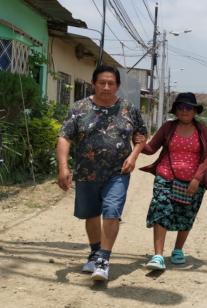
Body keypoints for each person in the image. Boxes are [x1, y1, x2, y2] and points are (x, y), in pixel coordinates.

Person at [56, 65, 147, 281]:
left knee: (112, 211)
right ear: (94, 83)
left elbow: (141, 136)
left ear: (117, 86)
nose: (106, 87)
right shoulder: (79, 108)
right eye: (102, 82)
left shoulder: (128, 109)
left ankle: (103, 261)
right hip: (86, 172)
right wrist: (63, 167)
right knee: (91, 214)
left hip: (118, 172)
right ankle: (95, 252)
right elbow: (64, 137)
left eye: (111, 83)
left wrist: (133, 156)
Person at [139, 92, 207, 270]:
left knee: (186, 214)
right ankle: (158, 256)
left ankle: (178, 250)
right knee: (161, 209)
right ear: (175, 111)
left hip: (193, 181)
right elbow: (151, 149)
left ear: (195, 111)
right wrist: (140, 143)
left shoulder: (202, 129)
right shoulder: (168, 127)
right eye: (180, 107)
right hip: (166, 176)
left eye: (188, 108)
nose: (184, 111)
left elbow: (206, 157)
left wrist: (196, 179)